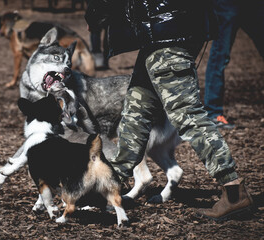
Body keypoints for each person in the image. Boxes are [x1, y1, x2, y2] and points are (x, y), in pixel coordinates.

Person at [85, 0, 253, 221]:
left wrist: (97, 10)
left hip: (166, 26)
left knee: (187, 114)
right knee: (136, 113)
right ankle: (107, 185)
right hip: (160, 27)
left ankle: (233, 192)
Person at [204, 0, 264, 129]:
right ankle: (213, 113)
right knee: (220, 55)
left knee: (219, 56)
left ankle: (213, 113)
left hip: (254, 4)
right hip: (227, 4)